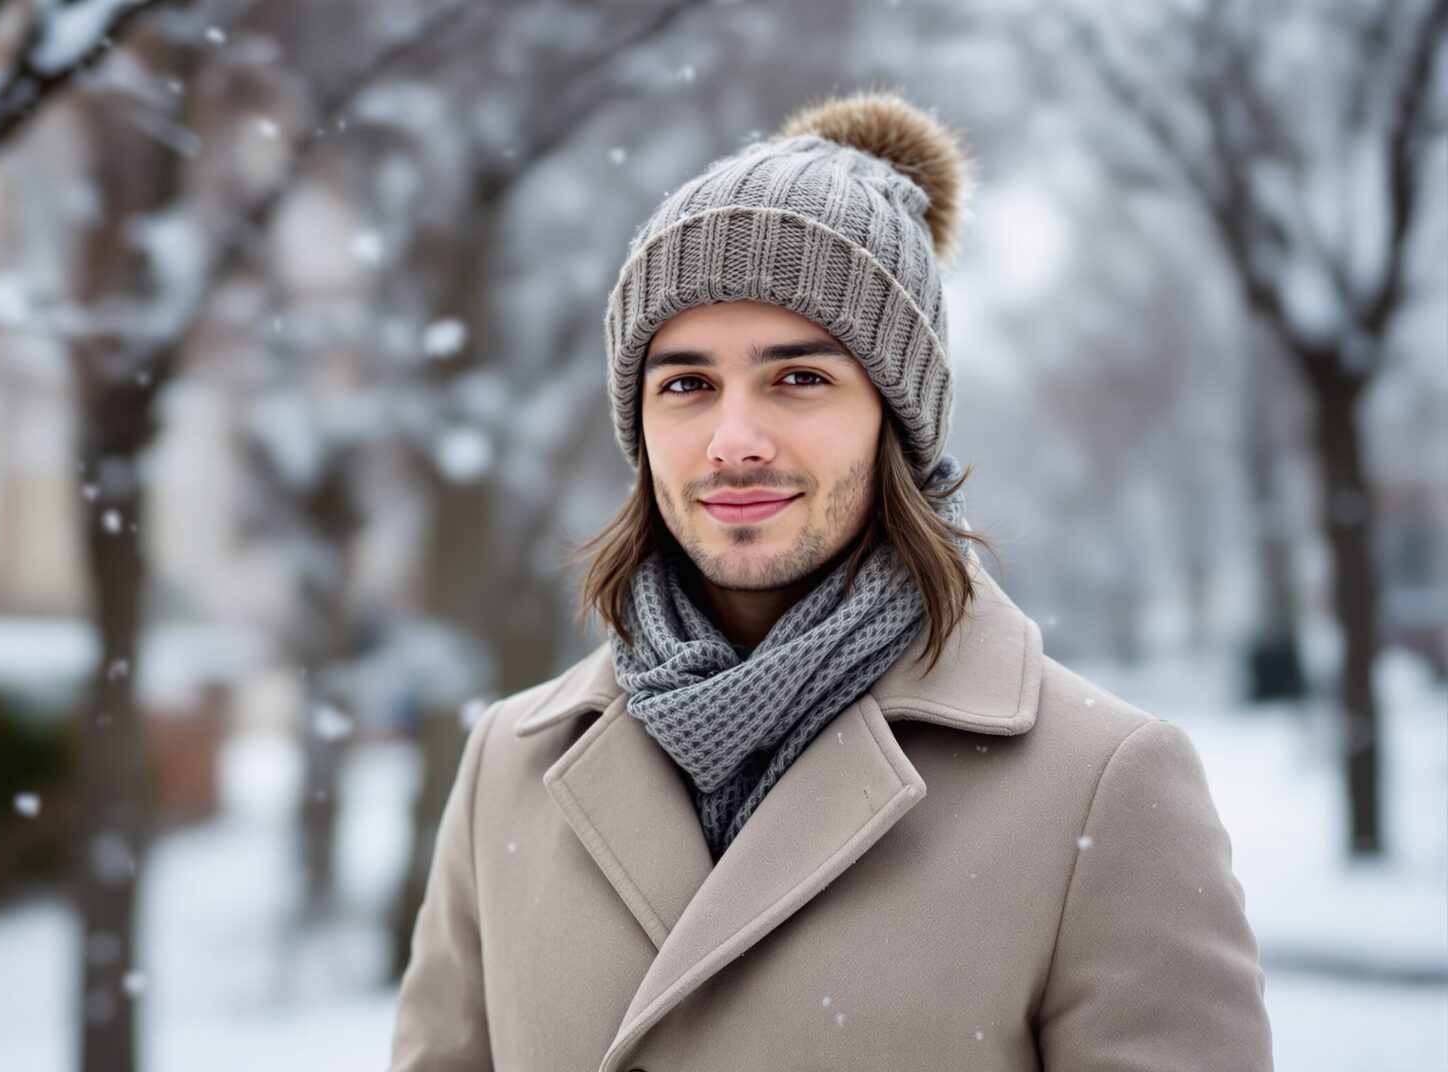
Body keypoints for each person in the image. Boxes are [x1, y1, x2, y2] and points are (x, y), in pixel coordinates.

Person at [387, 89, 1272, 1071]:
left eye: (798, 377)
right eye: (685, 383)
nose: (733, 441)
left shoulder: (1104, 787)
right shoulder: (506, 769)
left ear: (898, 419)